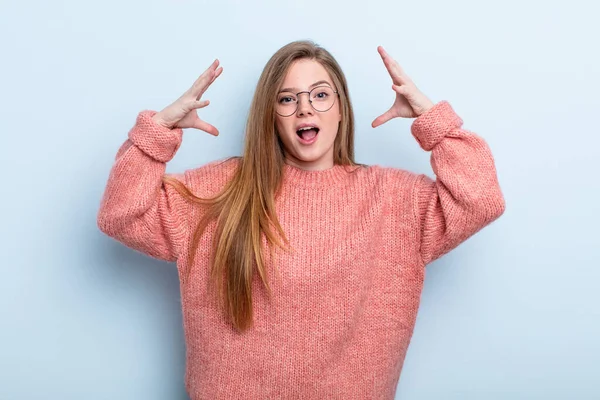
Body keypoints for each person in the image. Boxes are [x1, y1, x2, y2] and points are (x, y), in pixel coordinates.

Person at [97, 40, 505, 399]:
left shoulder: (396, 200)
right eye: (288, 98)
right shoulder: (218, 191)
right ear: (271, 115)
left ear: (342, 110)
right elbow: (121, 216)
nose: (305, 107)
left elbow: (481, 200)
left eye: (320, 94)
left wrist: (432, 120)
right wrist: (158, 132)